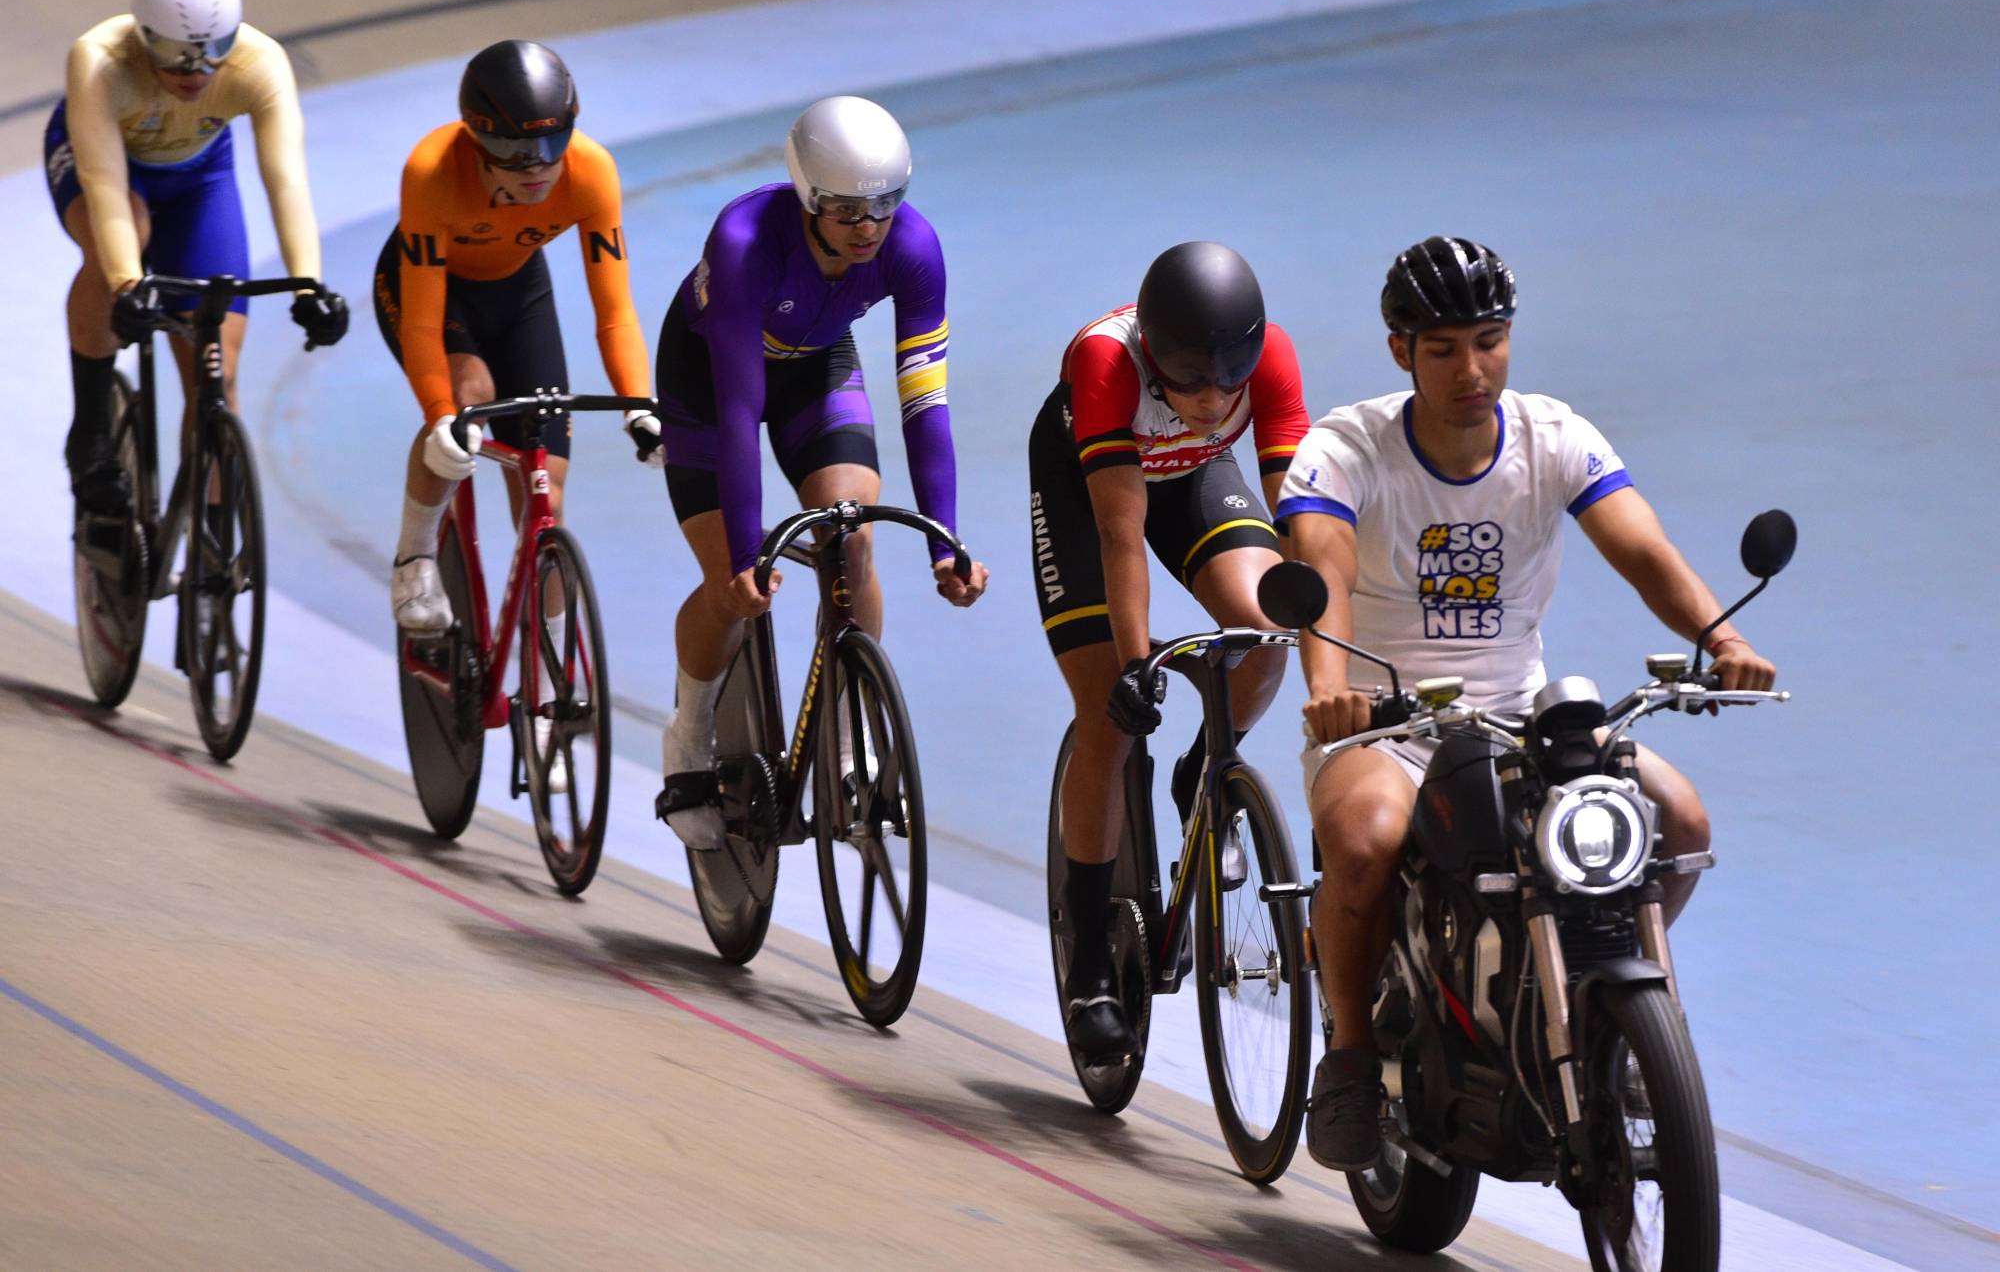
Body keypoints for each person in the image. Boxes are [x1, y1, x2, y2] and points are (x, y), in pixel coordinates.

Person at [1276, 235, 1779, 1170]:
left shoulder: (1554, 438)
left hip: (1514, 718)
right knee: (1365, 841)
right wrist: (1329, 689)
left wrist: (1724, 639)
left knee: (1679, 820)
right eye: (1443, 349)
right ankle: (1347, 1051)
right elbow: (1324, 571)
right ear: (1400, 351)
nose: (1471, 370)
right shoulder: (1347, 449)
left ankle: (1611, 1011)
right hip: (1385, 723)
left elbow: (1644, 551)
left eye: (1490, 341)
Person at [653, 94, 988, 850]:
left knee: (853, 534)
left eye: (884, 206)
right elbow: (739, 410)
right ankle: (689, 732)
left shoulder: (915, 247)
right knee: (731, 590)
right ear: (808, 198)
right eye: (846, 211)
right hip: (709, 381)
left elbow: (925, 403)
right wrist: (745, 555)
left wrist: (944, 540)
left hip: (816, 366)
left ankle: (845, 745)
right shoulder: (745, 241)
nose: (869, 228)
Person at [1030, 241, 1310, 1064]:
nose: (1213, 399)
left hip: (1193, 475)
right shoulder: (1105, 363)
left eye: (1229, 382)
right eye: (1190, 382)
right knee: (1109, 720)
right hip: (1087, 488)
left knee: (1267, 627)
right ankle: (1089, 965)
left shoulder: (1272, 358)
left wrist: (1320, 626)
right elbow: (1121, 535)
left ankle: (1201, 773)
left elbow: (1300, 518)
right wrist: (1133, 667)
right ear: (1156, 358)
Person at [376, 39, 656, 790]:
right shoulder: (431, 171)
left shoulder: (591, 170)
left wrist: (639, 405)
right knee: (467, 396)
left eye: (551, 146)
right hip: (433, 294)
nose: (537, 168)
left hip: (518, 293)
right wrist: (442, 413)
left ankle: (547, 686)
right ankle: (414, 558)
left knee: (545, 495)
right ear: (476, 141)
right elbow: (423, 322)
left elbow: (614, 310)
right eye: (513, 152)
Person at [49, 0, 346, 514]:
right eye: (177, 56)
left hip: (198, 181)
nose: (198, 71)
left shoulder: (259, 62)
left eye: (214, 51)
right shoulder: (99, 58)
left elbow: (287, 181)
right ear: (143, 35)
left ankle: (211, 541)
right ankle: (90, 431)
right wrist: (126, 285)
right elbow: (104, 183)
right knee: (127, 233)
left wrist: (309, 284)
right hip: (109, 167)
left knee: (217, 376)